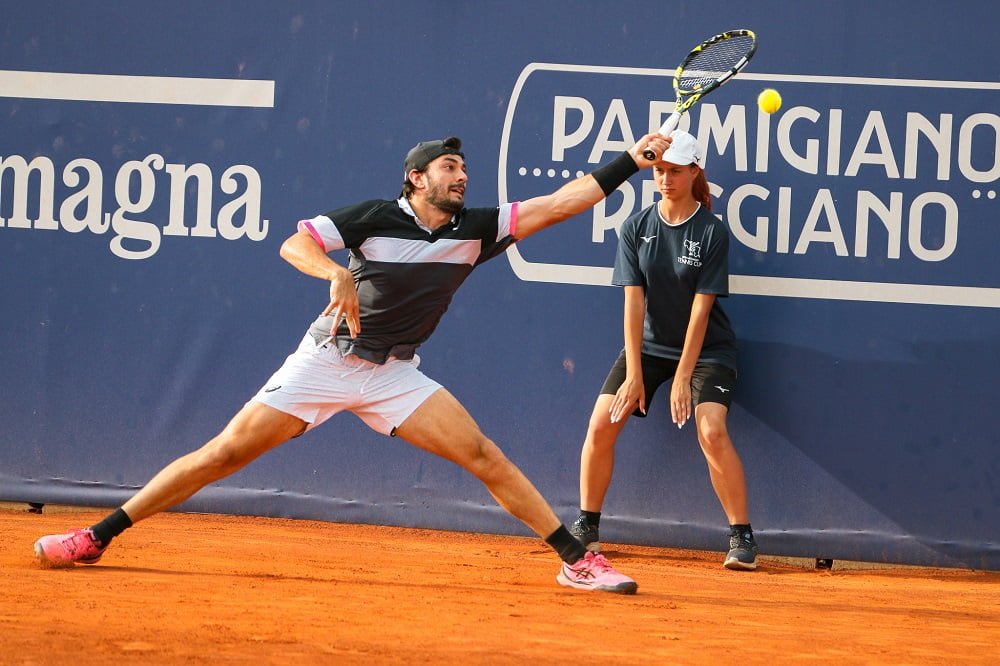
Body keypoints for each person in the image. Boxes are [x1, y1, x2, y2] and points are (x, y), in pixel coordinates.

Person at [33, 131, 672, 594]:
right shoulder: (374, 216)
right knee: (222, 454)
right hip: (327, 359)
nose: (462, 176)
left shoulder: (476, 229)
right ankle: (95, 536)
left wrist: (630, 161)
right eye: (449, 167)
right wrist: (335, 272)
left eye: (464, 169)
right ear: (417, 178)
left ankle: (575, 560)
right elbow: (294, 244)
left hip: (393, 375)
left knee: (483, 455)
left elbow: (561, 202)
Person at [568, 130, 759, 570]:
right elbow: (634, 303)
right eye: (658, 171)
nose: (665, 180)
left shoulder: (711, 232)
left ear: (694, 172)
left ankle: (742, 536)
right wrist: (635, 374)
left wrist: (684, 377)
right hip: (650, 347)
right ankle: (586, 525)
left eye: (674, 171)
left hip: (708, 350)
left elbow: (701, 311)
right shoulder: (636, 227)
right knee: (601, 422)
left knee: (711, 431)